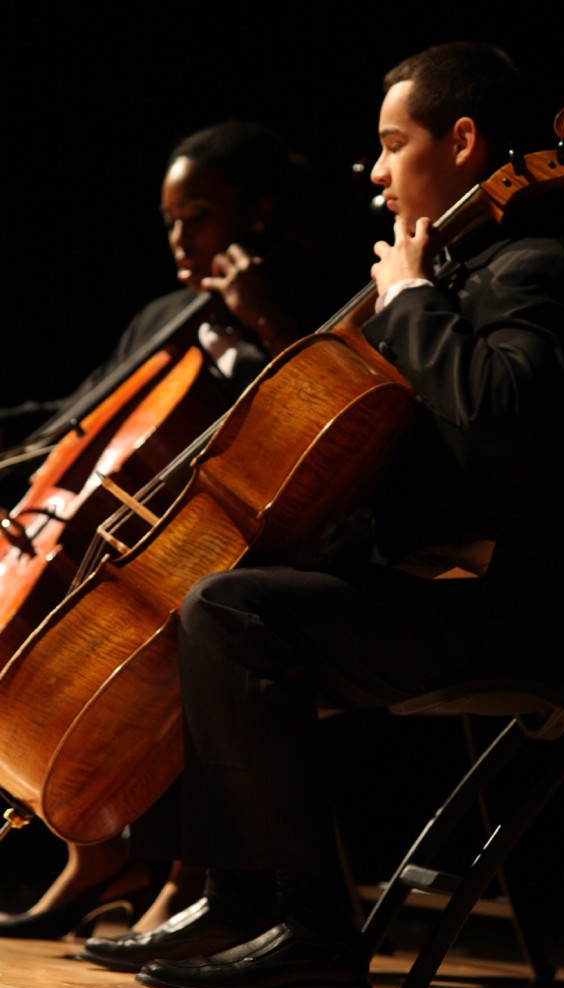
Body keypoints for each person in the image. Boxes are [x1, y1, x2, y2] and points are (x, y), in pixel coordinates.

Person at [74, 40, 564, 988]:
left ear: (461, 142)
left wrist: (409, 299)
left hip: (511, 605)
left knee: (235, 616)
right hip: (432, 590)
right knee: (212, 611)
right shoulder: (449, 278)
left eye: (390, 143)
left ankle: (314, 931)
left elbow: (498, 416)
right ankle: (238, 899)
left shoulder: (533, 267)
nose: (373, 170)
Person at [0, 117, 359, 940]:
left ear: (259, 213)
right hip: (116, 546)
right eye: (169, 220)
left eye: (197, 216)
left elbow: (320, 417)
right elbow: (72, 424)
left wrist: (265, 321)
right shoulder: (166, 313)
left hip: (236, 556)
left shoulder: (302, 306)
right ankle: (95, 857)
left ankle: (190, 873)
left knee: (183, 632)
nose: (178, 237)